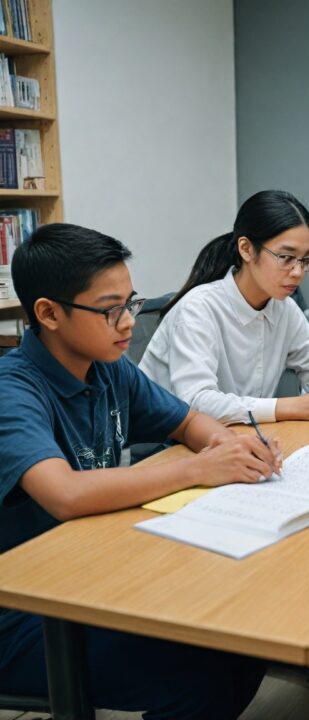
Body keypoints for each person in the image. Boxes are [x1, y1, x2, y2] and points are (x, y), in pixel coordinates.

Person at [0, 223, 275, 718]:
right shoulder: (12, 391)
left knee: (250, 632)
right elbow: (64, 493)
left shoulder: (108, 366)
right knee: (197, 675)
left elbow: (189, 420)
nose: (129, 322)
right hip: (24, 612)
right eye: (111, 310)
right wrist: (199, 469)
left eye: (131, 303)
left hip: (93, 573)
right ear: (49, 313)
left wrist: (231, 447)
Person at [140, 189, 309, 426]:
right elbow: (196, 402)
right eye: (286, 257)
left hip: (239, 437)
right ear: (246, 249)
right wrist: (293, 406)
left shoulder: (283, 307)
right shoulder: (198, 309)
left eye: (306, 259)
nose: (298, 272)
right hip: (168, 446)